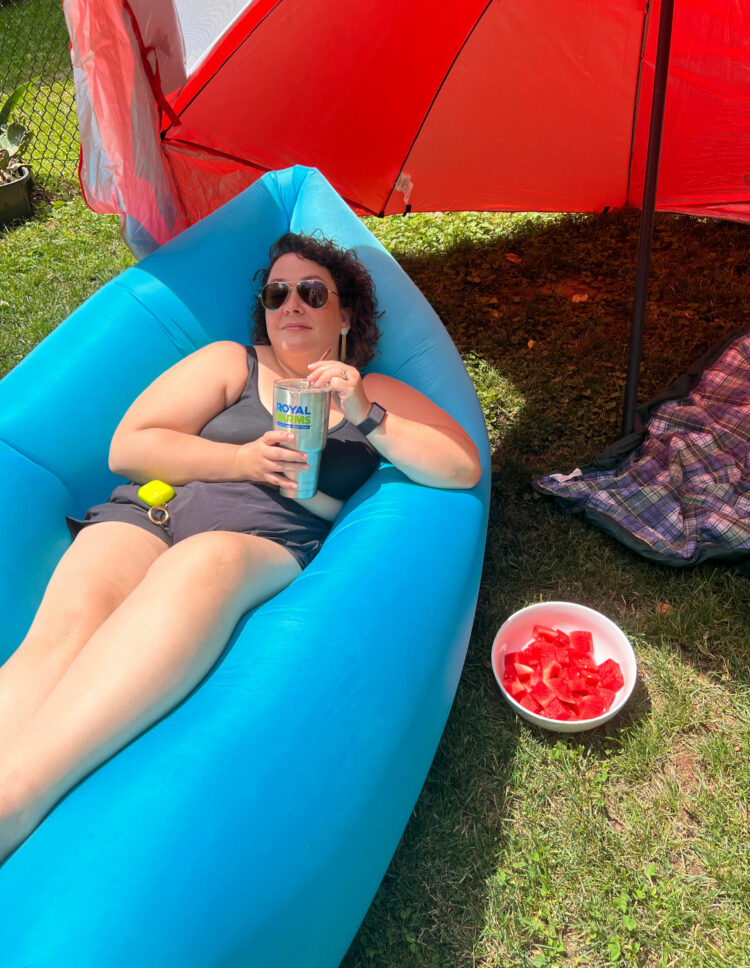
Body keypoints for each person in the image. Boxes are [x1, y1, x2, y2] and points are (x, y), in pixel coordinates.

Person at [0, 232, 481, 863]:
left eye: (312, 292)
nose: (291, 305)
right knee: (65, 630)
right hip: (153, 511)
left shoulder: (376, 395)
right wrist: (243, 459)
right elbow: (130, 446)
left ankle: (20, 795)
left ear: (344, 317)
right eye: (277, 293)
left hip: (257, 542)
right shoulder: (233, 363)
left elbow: (461, 466)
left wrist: (363, 412)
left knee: (201, 564)